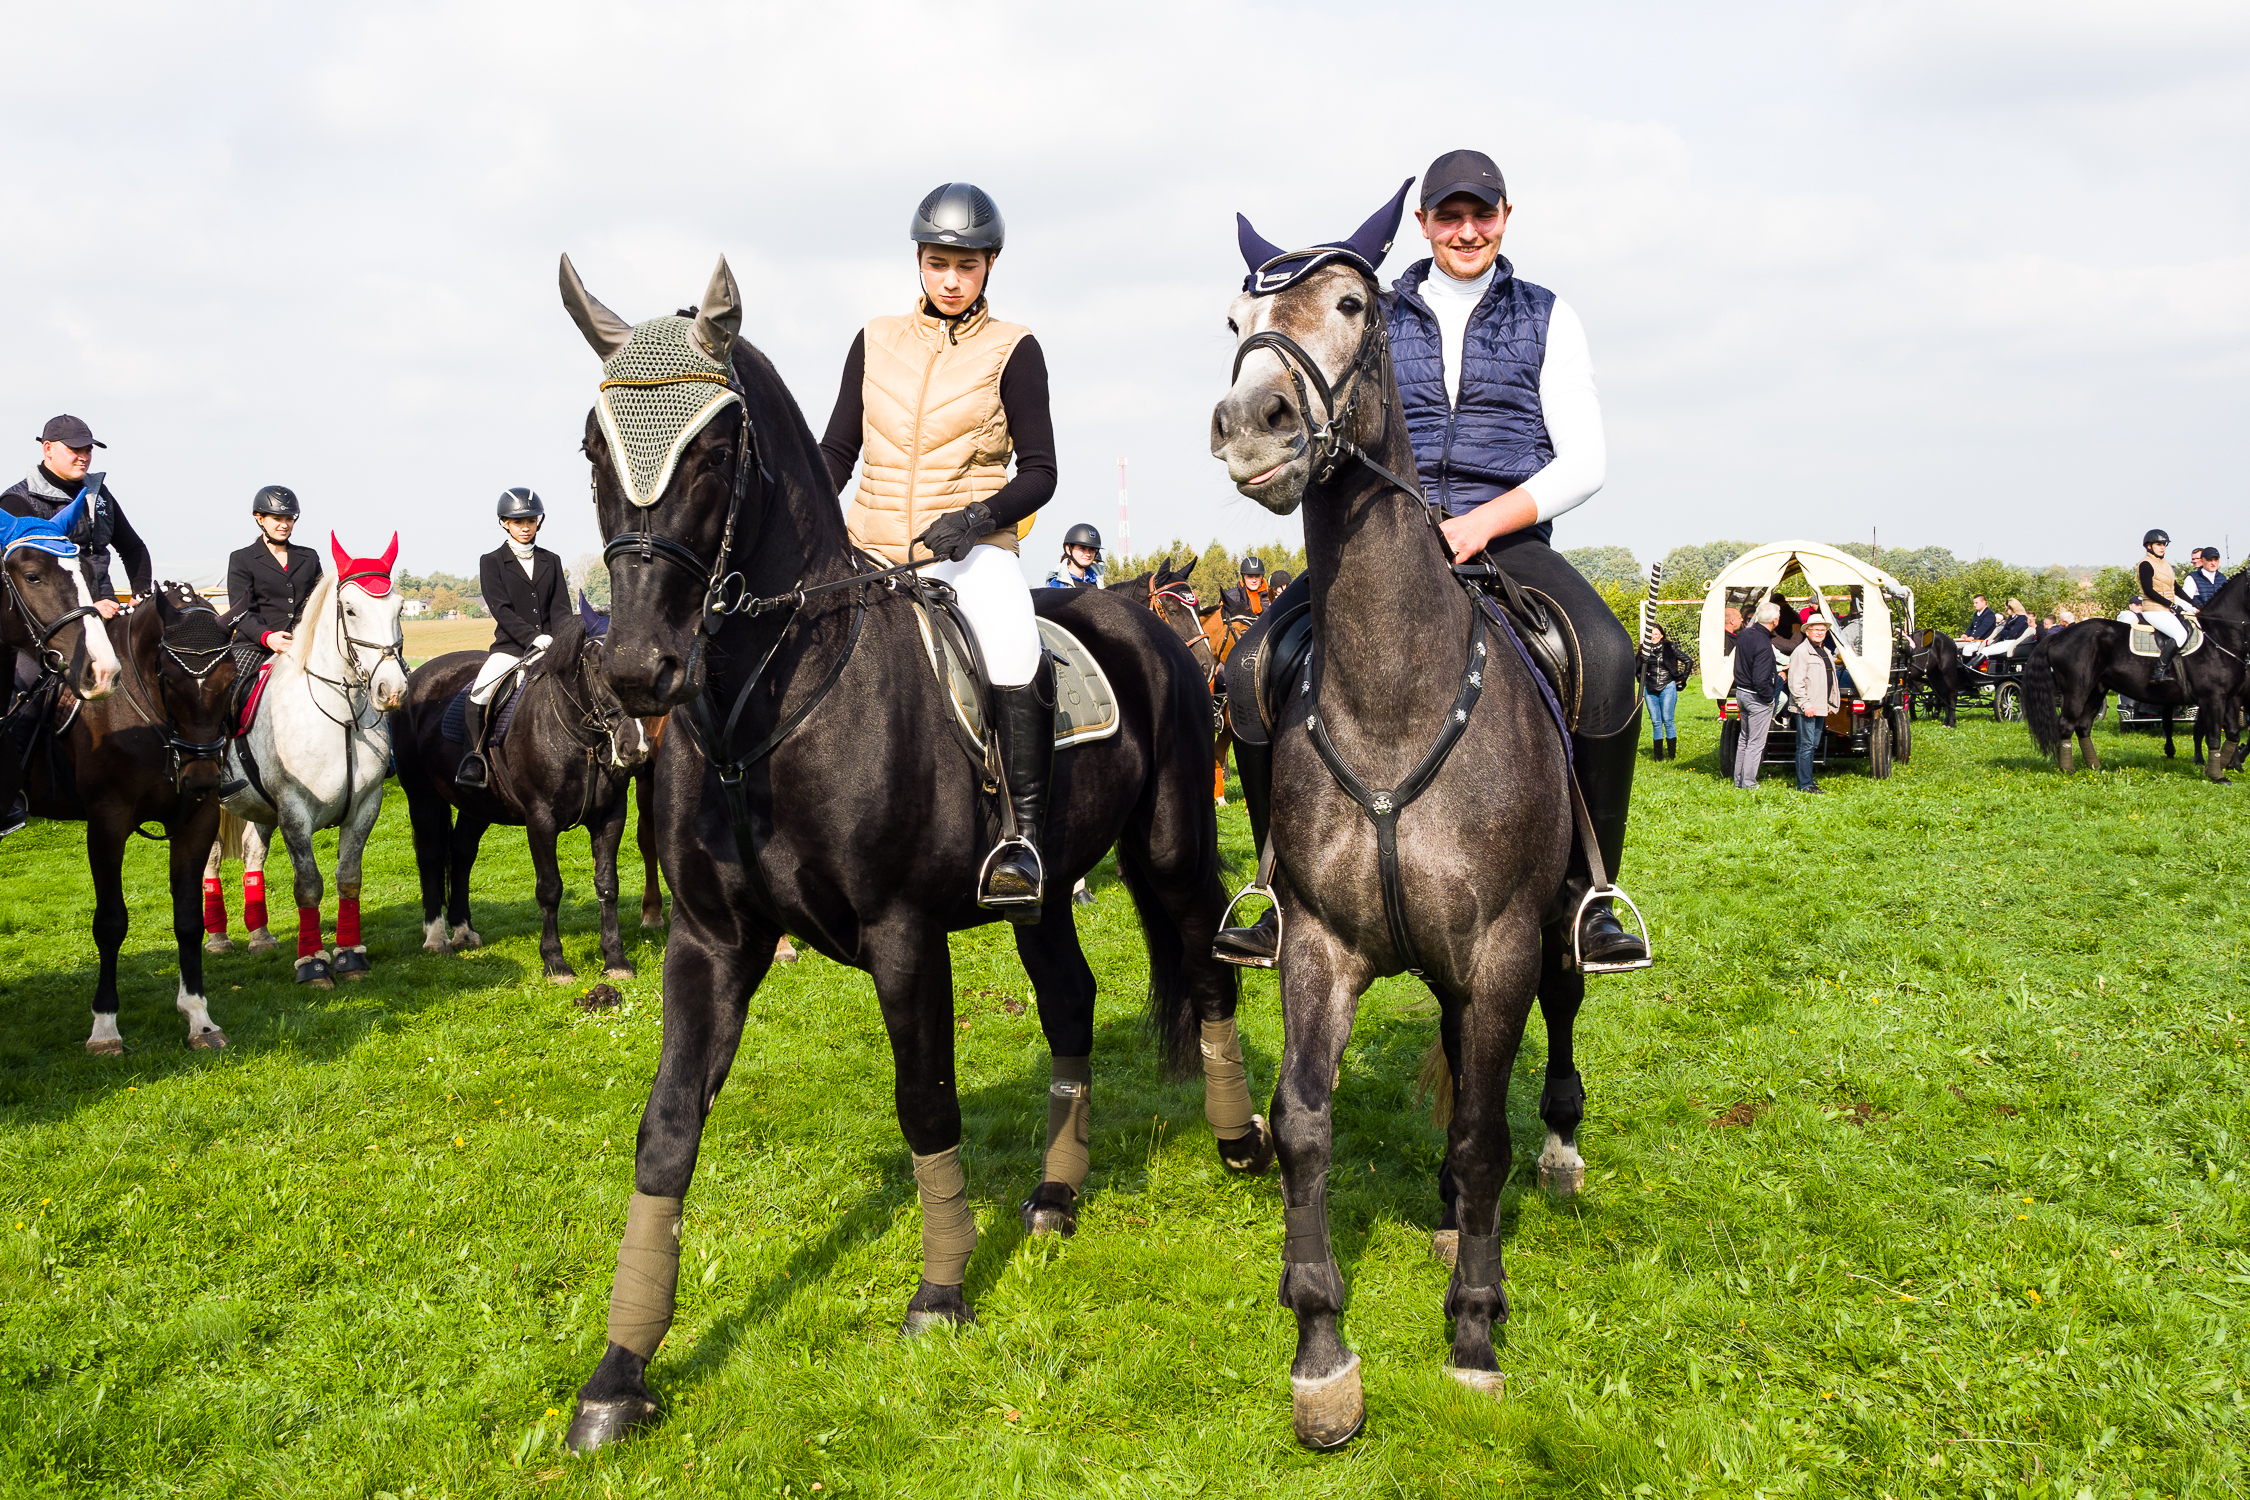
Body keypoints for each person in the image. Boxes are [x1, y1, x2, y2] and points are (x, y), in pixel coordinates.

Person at [1217, 147, 1646, 969]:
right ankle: (1274, 889)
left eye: (1481, 212)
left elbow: (1584, 461)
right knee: (1248, 666)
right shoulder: (1379, 310)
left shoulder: (1548, 315)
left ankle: (1590, 892)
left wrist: (1484, 522)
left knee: (1608, 654)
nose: (1466, 229)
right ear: (1423, 224)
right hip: (1388, 540)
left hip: (1509, 537)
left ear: (1505, 218)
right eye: (1448, 214)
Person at [818, 182, 1058, 918]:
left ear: (989, 265)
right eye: (937, 263)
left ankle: (1022, 840)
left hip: (968, 554)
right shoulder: (874, 339)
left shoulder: (1014, 348)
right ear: (918, 263)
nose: (951, 279)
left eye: (966, 265)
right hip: (868, 550)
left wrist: (979, 517)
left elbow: (1042, 472)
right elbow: (835, 452)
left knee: (1016, 650)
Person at [456, 488, 569, 790]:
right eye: (517, 522)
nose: (524, 527)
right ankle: (474, 759)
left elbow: (561, 609)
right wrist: (534, 638)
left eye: (530, 521)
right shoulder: (491, 561)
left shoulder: (552, 560)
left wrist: (559, 640)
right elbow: (501, 611)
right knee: (479, 694)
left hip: (551, 648)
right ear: (504, 523)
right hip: (510, 648)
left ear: (538, 523)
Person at [1, 414, 152, 612]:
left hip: (107, 608)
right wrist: (85, 608)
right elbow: (19, 583)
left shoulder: (100, 494)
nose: (84, 457)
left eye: (88, 450)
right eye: (75, 449)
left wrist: (141, 594)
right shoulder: (16, 502)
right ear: (48, 449)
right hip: (55, 624)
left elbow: (133, 548)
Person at [1787, 616, 1840, 794]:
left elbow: (1829, 679)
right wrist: (1805, 704)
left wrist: (1830, 703)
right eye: (1816, 629)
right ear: (1807, 631)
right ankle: (1805, 784)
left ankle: (1807, 780)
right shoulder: (1801, 652)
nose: (1819, 633)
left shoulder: (1823, 650)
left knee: (1813, 743)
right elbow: (1795, 682)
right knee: (1806, 745)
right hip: (1807, 707)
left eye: (1822, 630)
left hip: (1819, 706)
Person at [1731, 601, 1781, 789]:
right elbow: (1760, 679)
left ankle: (1739, 781)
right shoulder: (1764, 643)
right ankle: (1750, 783)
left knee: (1744, 738)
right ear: (1775, 620)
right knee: (1755, 743)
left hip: (1741, 692)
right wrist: (1769, 698)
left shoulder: (1744, 634)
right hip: (1756, 696)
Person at [2134, 529, 2193, 683]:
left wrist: (2194, 604)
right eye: (2159, 544)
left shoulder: (2165, 564)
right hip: (2153, 610)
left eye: (2164, 545)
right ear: (2148, 546)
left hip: (2165, 610)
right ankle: (2158, 671)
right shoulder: (2145, 564)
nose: (2162, 547)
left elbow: (2176, 588)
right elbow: (2149, 590)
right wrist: (2172, 605)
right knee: (2180, 634)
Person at [1638, 624, 1693, 761]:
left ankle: (1671, 755)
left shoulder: (1669, 648)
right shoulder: (1643, 650)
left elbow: (1688, 661)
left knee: (1668, 720)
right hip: (1650, 689)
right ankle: (1658, 756)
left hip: (1667, 686)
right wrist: (1642, 680)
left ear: (1661, 635)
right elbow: (1636, 668)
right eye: (1651, 635)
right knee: (1656, 722)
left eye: (1656, 634)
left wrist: (1681, 679)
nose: (1653, 637)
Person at [1963, 598, 2032, 664]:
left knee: (1986, 650)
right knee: (1985, 649)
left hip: (2013, 641)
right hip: (2006, 640)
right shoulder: (2011, 618)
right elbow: (2005, 631)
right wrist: (2005, 633)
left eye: (2007, 608)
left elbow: (2011, 633)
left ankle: (1971, 668)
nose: (2006, 610)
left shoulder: (2022, 618)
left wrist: (2005, 633)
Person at [1044, 523, 1103, 589]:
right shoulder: (1057, 585)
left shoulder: (1097, 578)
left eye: (1092, 549)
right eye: (1082, 548)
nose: (1088, 554)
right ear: (1068, 549)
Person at [1219, 555, 1269, 620]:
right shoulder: (1230, 597)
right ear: (1243, 577)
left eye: (1257, 576)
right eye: (1250, 576)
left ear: (1262, 576)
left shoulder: (1269, 597)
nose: (1254, 580)